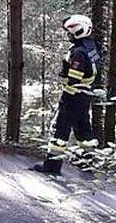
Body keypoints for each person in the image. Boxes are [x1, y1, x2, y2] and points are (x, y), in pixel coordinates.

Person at [32, 14, 101, 176]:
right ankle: (88, 162)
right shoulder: (91, 47)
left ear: (78, 32)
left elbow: (73, 79)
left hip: (73, 97)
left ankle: (52, 166)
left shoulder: (78, 53)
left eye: (70, 33)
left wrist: (65, 87)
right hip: (85, 96)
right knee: (83, 128)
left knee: (60, 130)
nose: (68, 36)